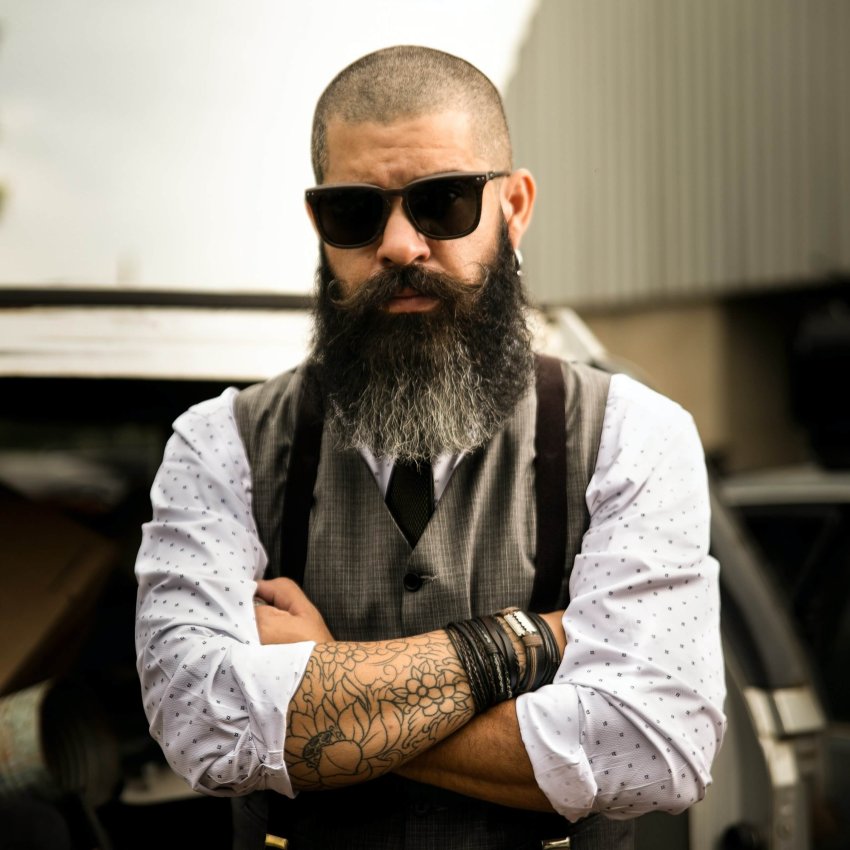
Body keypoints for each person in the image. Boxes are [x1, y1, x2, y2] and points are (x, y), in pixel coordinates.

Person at [134, 45, 727, 849]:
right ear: (319, 225)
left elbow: (655, 746)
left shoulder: (633, 435)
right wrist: (535, 642)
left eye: (442, 202)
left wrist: (325, 673)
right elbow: (198, 722)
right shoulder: (220, 446)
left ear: (514, 206)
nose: (402, 245)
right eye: (356, 211)